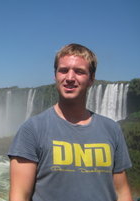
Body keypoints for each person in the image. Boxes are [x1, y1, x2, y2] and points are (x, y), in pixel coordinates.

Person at [8, 43, 133, 201]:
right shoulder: (32, 129)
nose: (69, 78)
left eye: (79, 72)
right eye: (63, 70)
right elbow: (19, 195)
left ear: (91, 79)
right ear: (55, 76)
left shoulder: (112, 129)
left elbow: (121, 192)